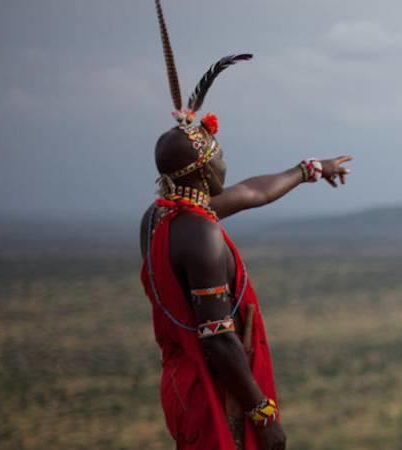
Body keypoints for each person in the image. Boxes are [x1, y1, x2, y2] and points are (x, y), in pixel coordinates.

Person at [139, 2, 352, 449]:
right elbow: (217, 341)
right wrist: (263, 413)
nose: (225, 163)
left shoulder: (164, 215)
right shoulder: (200, 233)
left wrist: (310, 168)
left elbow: (254, 192)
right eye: (219, 158)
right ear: (200, 172)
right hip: (218, 396)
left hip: (184, 387)